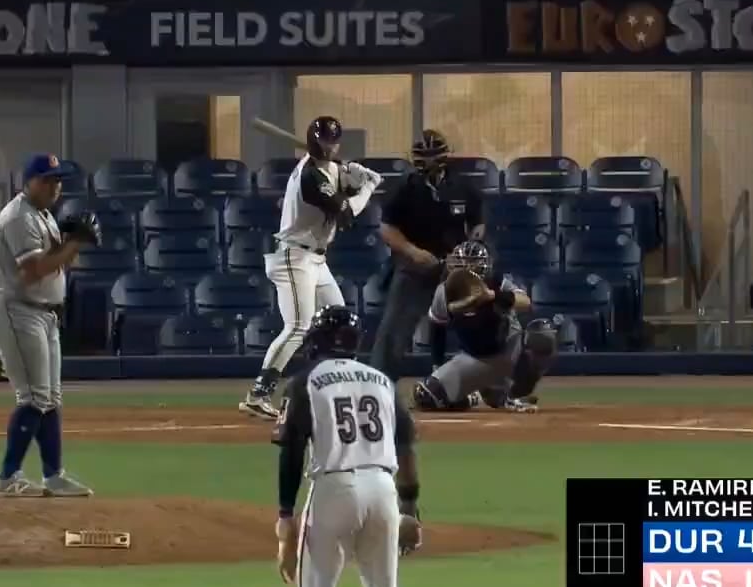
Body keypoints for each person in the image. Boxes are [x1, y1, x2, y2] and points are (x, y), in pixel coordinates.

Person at [272, 306, 421, 587]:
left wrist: (284, 516)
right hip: (384, 490)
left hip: (334, 489)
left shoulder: (306, 381)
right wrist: (410, 508)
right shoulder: (382, 381)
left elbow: (291, 452)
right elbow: (406, 447)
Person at [238, 116, 383, 420]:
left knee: (341, 321)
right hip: (294, 258)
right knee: (298, 326)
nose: (329, 146)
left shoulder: (328, 169)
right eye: (324, 141)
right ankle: (259, 393)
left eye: (333, 141)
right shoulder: (309, 175)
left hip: (316, 259)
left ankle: (337, 387)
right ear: (313, 140)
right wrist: (367, 187)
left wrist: (351, 177)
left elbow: (339, 184)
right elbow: (345, 213)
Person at [0, 153, 101, 498]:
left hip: (43, 314)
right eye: (47, 180)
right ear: (29, 182)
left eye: (58, 180)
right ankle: (7, 478)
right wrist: (76, 243)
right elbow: (34, 269)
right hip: (18, 312)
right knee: (34, 397)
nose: (54, 186)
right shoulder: (18, 218)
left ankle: (53, 475)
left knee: (50, 398)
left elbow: (59, 261)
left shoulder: (43, 215)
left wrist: (68, 243)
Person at [370, 129, 484, 382]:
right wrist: (413, 252)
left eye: (434, 154)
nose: (429, 160)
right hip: (415, 267)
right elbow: (387, 228)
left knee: (485, 319)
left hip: (456, 268)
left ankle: (497, 386)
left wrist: (467, 252)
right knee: (394, 328)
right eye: (424, 155)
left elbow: (477, 225)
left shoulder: (463, 187)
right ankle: (379, 385)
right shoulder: (404, 189)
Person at [411, 241, 557, 413]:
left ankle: (514, 394)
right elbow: (438, 326)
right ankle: (476, 396)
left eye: (472, 262)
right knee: (426, 396)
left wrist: (493, 296)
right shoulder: (444, 292)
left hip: (509, 350)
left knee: (543, 336)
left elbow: (525, 302)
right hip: (475, 359)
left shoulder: (496, 282)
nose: (466, 267)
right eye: (462, 262)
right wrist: (437, 368)